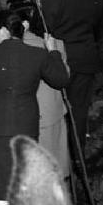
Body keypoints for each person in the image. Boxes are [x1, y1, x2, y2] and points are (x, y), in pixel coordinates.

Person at [0, 9, 70, 201]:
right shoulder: (38, 54)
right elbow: (61, 79)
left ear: (4, 30)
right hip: (27, 125)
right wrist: (53, 51)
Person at [41, 0, 103, 153]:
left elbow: (44, 29)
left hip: (60, 59)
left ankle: (60, 160)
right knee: (79, 110)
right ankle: (78, 158)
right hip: (85, 58)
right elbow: (99, 30)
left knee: (55, 111)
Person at [19, 10, 70, 180]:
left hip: (32, 113)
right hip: (53, 110)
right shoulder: (55, 43)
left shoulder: (18, 47)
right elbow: (66, 73)